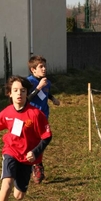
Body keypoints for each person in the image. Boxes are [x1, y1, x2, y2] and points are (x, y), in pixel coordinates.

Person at [27, 55, 60, 184]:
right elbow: (27, 98)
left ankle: (37, 165)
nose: (44, 69)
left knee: (43, 140)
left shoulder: (47, 82)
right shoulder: (29, 82)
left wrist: (52, 98)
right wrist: (38, 87)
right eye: (41, 67)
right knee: (33, 142)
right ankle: (36, 166)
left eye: (45, 66)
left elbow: (46, 93)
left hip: (44, 116)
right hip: (31, 117)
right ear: (33, 70)